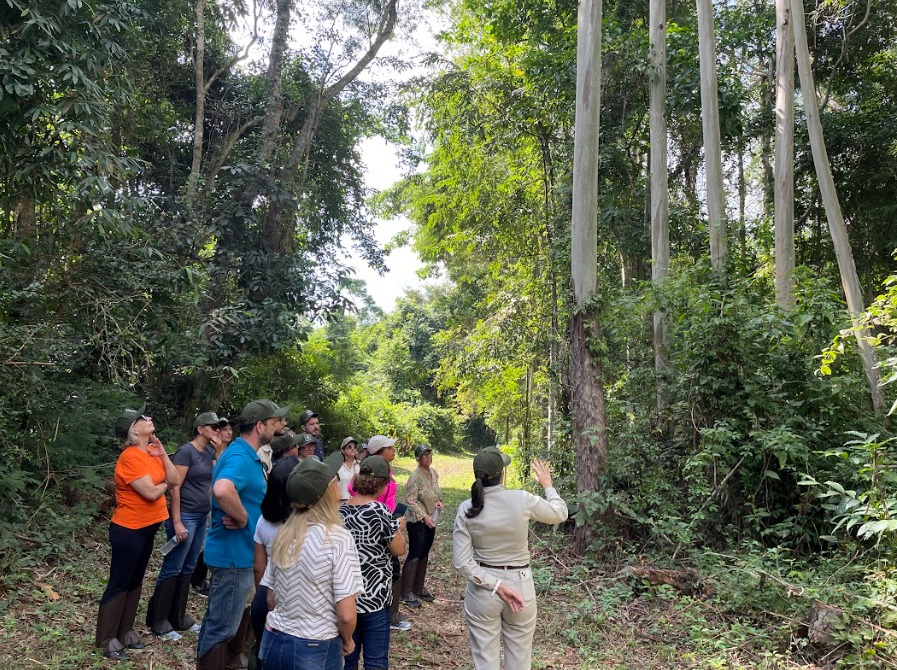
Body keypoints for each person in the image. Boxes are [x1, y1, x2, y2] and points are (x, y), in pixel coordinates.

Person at [452, 448, 567, 670]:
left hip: (483, 591)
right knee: (520, 657)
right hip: (520, 583)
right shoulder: (521, 499)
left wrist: (495, 585)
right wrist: (548, 485)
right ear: (501, 474)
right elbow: (559, 514)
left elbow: (462, 561)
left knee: (485, 660)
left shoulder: (467, 508)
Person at [196, 399, 289, 670]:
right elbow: (222, 489)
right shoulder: (239, 455)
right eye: (274, 422)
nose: (278, 426)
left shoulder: (244, 453)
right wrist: (243, 517)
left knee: (221, 623)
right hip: (233, 557)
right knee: (221, 628)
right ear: (260, 426)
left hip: (238, 554)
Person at [258, 457, 363, 670]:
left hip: (274, 640)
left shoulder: (283, 534)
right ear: (325, 493)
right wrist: (348, 639)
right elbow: (346, 614)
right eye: (334, 480)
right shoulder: (338, 539)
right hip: (316, 646)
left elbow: (271, 597)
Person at [95, 405, 180, 660]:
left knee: (136, 580)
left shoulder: (152, 452)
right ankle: (107, 638)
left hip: (147, 527)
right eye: (142, 418)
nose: (148, 418)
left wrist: (163, 454)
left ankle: (125, 631)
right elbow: (152, 492)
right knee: (120, 581)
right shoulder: (130, 457)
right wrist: (165, 482)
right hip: (128, 529)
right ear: (134, 430)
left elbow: (175, 479)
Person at [146, 411, 227, 641]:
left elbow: (218, 474)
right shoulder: (186, 451)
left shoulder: (210, 451)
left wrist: (219, 449)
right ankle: (159, 621)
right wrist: (177, 520)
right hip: (186, 515)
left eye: (218, 426)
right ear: (200, 428)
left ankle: (178, 617)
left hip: (202, 516)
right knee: (173, 566)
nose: (217, 430)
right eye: (213, 426)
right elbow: (175, 486)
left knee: (189, 566)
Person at [339, 455, 406, 670]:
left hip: (345, 598)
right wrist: (398, 528)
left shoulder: (340, 511)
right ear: (383, 484)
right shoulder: (380, 511)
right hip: (374, 599)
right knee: (375, 660)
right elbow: (399, 549)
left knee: (347, 658)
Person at [249, 452, 298, 669]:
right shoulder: (303, 524)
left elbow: (259, 567)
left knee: (264, 653)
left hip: (266, 593)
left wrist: (264, 591)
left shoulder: (263, 521)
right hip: (293, 597)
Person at [360, 436, 410, 632]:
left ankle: (391, 613)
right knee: (391, 568)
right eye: (390, 447)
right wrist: (392, 523)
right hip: (384, 525)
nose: (393, 450)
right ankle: (389, 615)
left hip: (385, 522)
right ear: (380, 452)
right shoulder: (378, 475)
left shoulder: (381, 471)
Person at [193, 416, 235, 597]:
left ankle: (204, 578)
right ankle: (197, 579)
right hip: (202, 504)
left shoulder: (229, 451)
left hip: (215, 504)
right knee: (202, 543)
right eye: (222, 429)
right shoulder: (202, 451)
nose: (226, 432)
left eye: (228, 430)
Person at [402, 444, 443, 608]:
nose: (428, 457)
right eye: (424, 455)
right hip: (417, 520)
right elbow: (411, 500)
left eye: (429, 454)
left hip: (431, 519)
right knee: (415, 552)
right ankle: (406, 591)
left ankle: (419, 587)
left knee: (425, 551)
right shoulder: (415, 476)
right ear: (418, 458)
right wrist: (424, 516)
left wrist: (439, 502)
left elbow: (436, 492)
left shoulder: (433, 473)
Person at [336, 437, 360, 502]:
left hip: (356, 502)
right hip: (340, 503)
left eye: (355, 447)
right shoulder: (337, 465)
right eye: (349, 447)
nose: (352, 448)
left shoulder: (360, 465)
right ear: (343, 450)